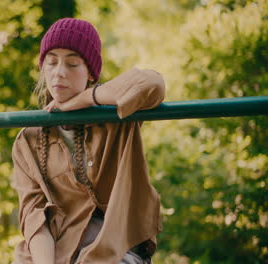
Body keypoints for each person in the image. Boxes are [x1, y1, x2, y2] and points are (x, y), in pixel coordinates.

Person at [11, 18, 165, 264]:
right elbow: (34, 219)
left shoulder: (115, 117)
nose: (59, 72)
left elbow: (153, 84)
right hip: (55, 253)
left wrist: (82, 101)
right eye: (51, 62)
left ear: (91, 73)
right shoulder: (28, 141)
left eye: (72, 63)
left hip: (116, 248)